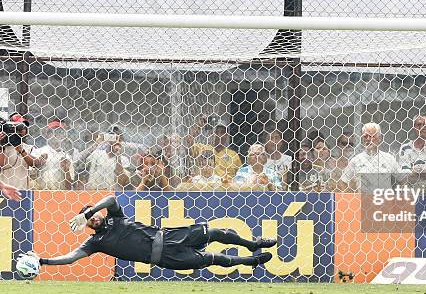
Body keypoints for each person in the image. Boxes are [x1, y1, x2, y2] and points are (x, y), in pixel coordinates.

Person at [30, 196, 275, 271]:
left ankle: (251, 244)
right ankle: (251, 261)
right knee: (214, 259)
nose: (93, 218)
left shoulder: (115, 216)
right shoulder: (96, 243)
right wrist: (43, 261)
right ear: (87, 227)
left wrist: (86, 211)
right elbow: (71, 257)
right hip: (165, 258)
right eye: (88, 218)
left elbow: (111, 199)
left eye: (93, 214)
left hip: (169, 236)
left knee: (217, 231)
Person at [338, 123, 401, 192]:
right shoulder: (356, 160)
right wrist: (352, 199)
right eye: (365, 136)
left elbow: (402, 180)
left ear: (380, 138)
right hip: (364, 201)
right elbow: (342, 182)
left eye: (371, 136)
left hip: (384, 200)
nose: (368, 139)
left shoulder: (389, 159)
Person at [0, 114, 46, 189]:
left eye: (23, 127)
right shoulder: (3, 146)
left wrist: (21, 150)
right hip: (4, 192)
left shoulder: (28, 148)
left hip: (22, 192)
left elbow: (35, 164)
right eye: (18, 127)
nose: (22, 130)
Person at [31, 119, 74, 190]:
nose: (56, 134)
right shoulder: (38, 152)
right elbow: (30, 176)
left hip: (60, 196)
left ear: (64, 136)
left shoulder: (67, 157)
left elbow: (70, 186)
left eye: (60, 132)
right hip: (41, 194)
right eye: (52, 132)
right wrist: (38, 164)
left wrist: (66, 171)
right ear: (47, 135)